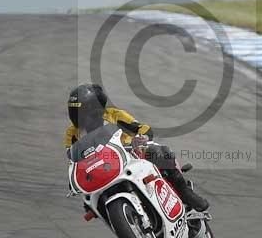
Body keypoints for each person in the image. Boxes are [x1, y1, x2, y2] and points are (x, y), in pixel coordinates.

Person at [64, 83, 209, 212]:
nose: (78, 117)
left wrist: (142, 137)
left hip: (131, 154)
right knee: (90, 201)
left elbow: (142, 128)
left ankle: (185, 192)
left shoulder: (114, 115)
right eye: (74, 113)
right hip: (102, 166)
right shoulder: (72, 133)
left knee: (158, 152)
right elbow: (73, 158)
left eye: (82, 113)